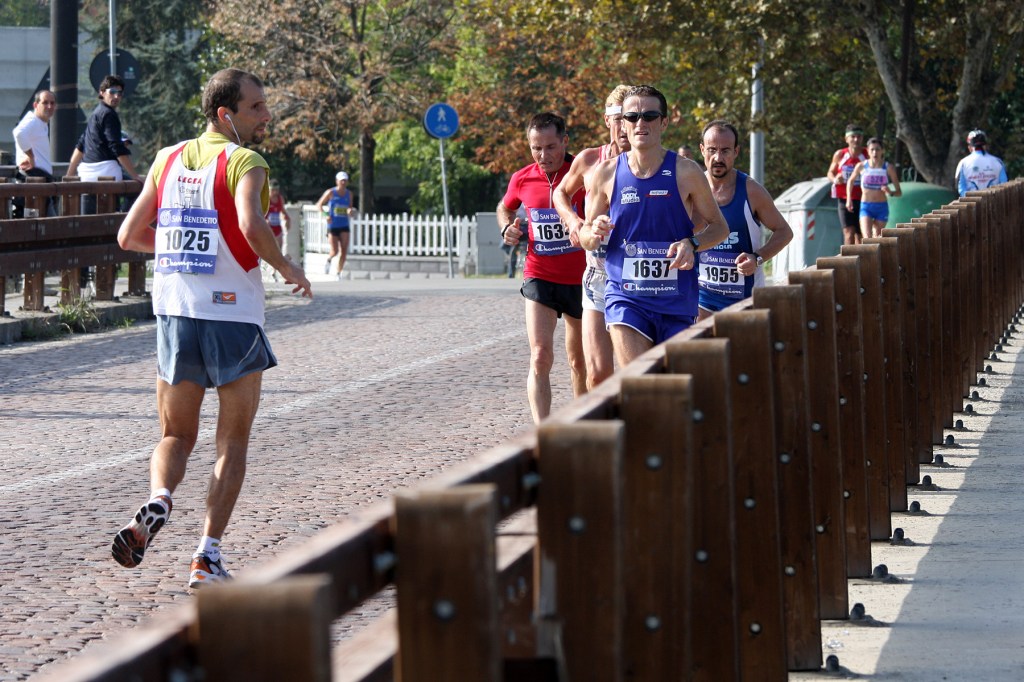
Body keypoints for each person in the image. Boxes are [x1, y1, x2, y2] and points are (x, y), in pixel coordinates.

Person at [112, 67, 313, 590]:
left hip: (176, 311)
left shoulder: (167, 158)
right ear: (227, 115)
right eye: (256, 107)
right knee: (233, 443)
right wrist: (286, 266)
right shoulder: (246, 160)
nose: (266, 115)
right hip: (233, 315)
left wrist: (178, 246)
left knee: (175, 433)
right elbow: (250, 225)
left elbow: (129, 235)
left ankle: (158, 499)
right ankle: (207, 556)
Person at [580, 85, 729, 366]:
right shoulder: (606, 173)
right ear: (622, 124)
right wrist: (593, 230)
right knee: (638, 382)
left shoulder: (687, 171)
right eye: (632, 117)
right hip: (626, 297)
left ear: (663, 122)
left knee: (672, 390)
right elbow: (586, 235)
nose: (640, 123)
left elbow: (719, 228)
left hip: (675, 300)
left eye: (649, 116)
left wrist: (692, 243)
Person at [498, 112, 587, 423]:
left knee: (578, 361)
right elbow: (505, 206)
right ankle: (542, 431)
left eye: (551, 147)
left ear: (564, 141)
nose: (543, 155)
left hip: (580, 279)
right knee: (540, 356)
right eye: (536, 148)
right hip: (540, 274)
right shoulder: (522, 178)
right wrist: (506, 227)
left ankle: (582, 421)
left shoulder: (583, 173)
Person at [552, 84, 631, 390]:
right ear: (606, 120)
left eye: (632, 118)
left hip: (637, 277)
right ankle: (594, 435)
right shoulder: (589, 160)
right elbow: (560, 191)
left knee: (633, 371)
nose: (624, 126)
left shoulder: (654, 164)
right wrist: (573, 221)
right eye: (618, 118)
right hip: (598, 274)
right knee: (596, 373)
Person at [696, 120, 794, 320]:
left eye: (725, 151)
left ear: (736, 152)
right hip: (701, 298)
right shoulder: (692, 189)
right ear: (702, 150)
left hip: (745, 300)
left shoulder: (751, 190)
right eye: (712, 150)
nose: (718, 158)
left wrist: (757, 258)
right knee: (703, 350)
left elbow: (784, 232)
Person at [67, 75, 142, 188]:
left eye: (120, 93)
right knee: (137, 191)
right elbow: (116, 147)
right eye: (112, 92)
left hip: (86, 175)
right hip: (107, 172)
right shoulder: (109, 114)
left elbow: (81, 145)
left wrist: (69, 174)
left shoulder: (95, 114)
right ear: (102, 92)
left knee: (88, 206)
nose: (116, 96)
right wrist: (135, 176)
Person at [11, 89, 56, 217]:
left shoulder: (40, 122)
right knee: (42, 224)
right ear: (36, 105)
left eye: (52, 103)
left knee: (40, 223)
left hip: (39, 182)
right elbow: (18, 133)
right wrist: (30, 156)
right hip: (33, 182)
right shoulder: (33, 121)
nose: (49, 106)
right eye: (45, 102)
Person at [846, 137, 902, 239]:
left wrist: (890, 192)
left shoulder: (888, 167)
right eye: (872, 149)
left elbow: (899, 192)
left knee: (877, 237)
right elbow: (850, 181)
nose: (875, 152)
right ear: (868, 151)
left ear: (882, 151)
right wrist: (848, 199)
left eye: (877, 149)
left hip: (881, 207)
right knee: (867, 237)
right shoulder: (861, 166)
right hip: (866, 206)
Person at [826, 124, 868, 245]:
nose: (856, 139)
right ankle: (848, 262)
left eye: (859, 136)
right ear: (846, 139)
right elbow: (830, 172)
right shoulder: (840, 154)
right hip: (845, 199)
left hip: (864, 199)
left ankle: (862, 262)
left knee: (861, 237)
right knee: (849, 234)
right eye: (853, 136)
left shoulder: (867, 154)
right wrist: (835, 179)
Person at [315, 171, 356, 277]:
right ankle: (329, 260)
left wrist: (349, 211)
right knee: (335, 251)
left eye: (345, 180)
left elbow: (349, 207)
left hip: (344, 225)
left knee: (344, 250)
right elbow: (319, 204)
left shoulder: (349, 194)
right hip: (333, 225)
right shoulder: (331, 192)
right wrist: (326, 215)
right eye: (341, 180)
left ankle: (339, 272)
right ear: (337, 181)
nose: (343, 182)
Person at [955, 129, 1008, 196]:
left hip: (971, 204)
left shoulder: (963, 163)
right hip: (994, 203)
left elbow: (960, 189)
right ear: (985, 146)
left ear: (970, 147)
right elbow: (1005, 185)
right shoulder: (998, 162)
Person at [266, 178, 290, 249]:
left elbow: (283, 211)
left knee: (279, 248)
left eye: (276, 190)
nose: (275, 192)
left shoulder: (280, 198)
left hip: (277, 227)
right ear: (269, 190)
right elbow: (260, 213)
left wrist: (287, 219)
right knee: (270, 249)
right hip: (268, 228)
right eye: (273, 190)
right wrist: (264, 221)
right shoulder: (266, 199)